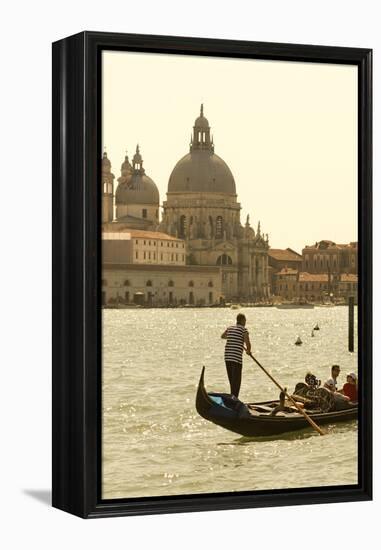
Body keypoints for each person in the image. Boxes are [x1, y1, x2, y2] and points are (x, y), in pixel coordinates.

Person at [221, 313, 251, 398]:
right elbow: (248, 343)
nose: (245, 322)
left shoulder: (230, 328)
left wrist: (233, 337)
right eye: (245, 321)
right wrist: (248, 351)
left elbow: (223, 336)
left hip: (227, 357)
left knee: (232, 381)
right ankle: (234, 401)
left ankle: (232, 399)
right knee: (236, 382)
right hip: (236, 358)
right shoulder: (243, 330)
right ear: (242, 320)